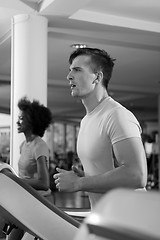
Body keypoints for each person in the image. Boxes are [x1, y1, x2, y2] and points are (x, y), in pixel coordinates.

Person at [54, 47, 148, 209]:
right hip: (105, 217)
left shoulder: (117, 115)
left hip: (131, 219)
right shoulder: (86, 120)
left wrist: (79, 183)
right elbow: (107, 173)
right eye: (70, 70)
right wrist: (87, 178)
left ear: (97, 77)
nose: (69, 76)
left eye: (77, 70)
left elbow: (136, 175)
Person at [8, 97, 53, 240]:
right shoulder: (24, 145)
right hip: (26, 199)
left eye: (21, 118)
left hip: (41, 202)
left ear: (32, 121)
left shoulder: (40, 146)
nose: (17, 121)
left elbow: (44, 183)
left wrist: (16, 181)